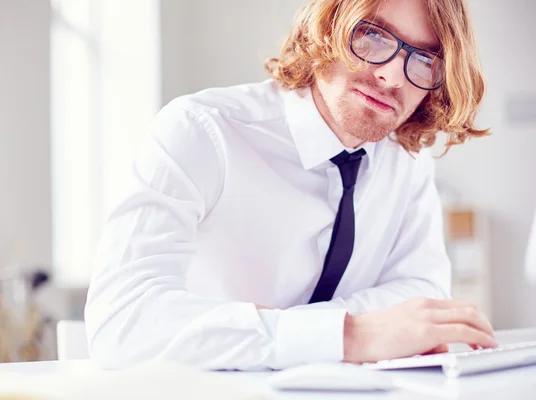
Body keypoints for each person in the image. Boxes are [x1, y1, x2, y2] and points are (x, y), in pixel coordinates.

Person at [85, 0, 496, 370]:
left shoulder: (407, 161)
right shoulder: (201, 131)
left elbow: (422, 292)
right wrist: (349, 335)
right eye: (371, 36)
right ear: (327, 25)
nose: (392, 76)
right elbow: (122, 322)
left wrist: (307, 333)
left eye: (424, 59)